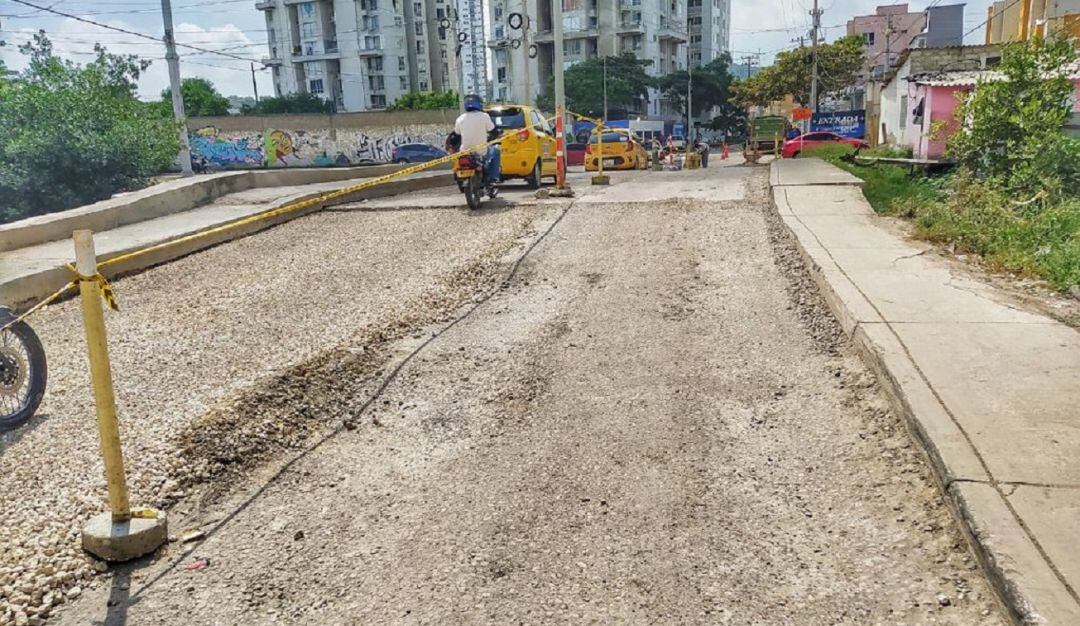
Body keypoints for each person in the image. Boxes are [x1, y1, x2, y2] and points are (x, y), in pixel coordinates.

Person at [454, 94, 501, 188]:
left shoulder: (460, 118)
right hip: (481, 151)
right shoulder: (484, 116)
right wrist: (497, 135)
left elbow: (457, 133)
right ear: (479, 104)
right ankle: (493, 178)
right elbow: (493, 130)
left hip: (465, 151)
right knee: (496, 151)